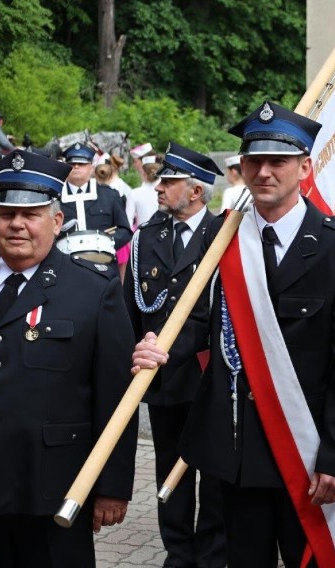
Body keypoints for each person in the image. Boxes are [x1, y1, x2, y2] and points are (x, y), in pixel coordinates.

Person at [131, 101, 335, 567]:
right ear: (241, 168)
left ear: (304, 167)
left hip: (309, 454)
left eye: (277, 161)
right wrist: (158, 347)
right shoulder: (221, 237)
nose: (264, 172)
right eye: (254, 161)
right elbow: (200, 320)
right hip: (238, 456)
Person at [0, 150, 138, 567]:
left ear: (55, 221)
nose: (16, 224)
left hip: (56, 486)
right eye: (6, 213)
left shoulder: (92, 291)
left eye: (31, 214)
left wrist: (112, 486)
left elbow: (115, 397)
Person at [124, 141, 225, 567]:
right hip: (164, 380)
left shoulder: (225, 234)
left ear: (197, 191)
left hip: (212, 375)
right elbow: (133, 307)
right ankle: (179, 552)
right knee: (169, 467)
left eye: (169, 181)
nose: (159, 188)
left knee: (216, 471)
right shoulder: (148, 236)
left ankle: (213, 553)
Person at [58, 143, 132, 264]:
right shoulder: (55, 197)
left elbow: (125, 231)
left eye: (81, 163)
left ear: (91, 167)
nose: (76, 167)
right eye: (71, 164)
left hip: (103, 264)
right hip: (65, 264)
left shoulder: (110, 195)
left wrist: (104, 243)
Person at [127, 154, 160, 229]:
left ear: (143, 173)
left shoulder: (135, 193)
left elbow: (128, 220)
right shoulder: (167, 190)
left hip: (142, 236)